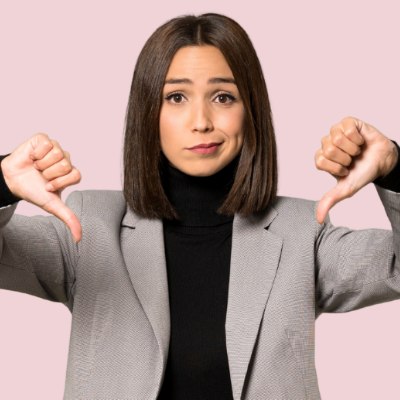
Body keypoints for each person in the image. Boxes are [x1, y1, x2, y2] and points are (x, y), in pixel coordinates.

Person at [0, 13, 399, 400]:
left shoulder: (301, 232)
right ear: (148, 113)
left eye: (223, 97)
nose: (201, 121)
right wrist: (2, 183)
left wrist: (393, 170)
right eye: (176, 97)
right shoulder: (88, 228)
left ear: (250, 111)